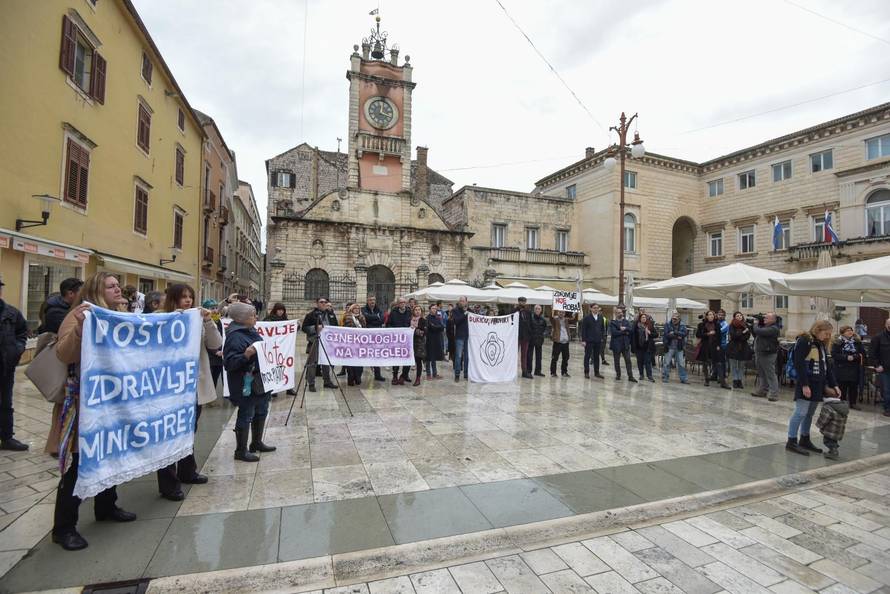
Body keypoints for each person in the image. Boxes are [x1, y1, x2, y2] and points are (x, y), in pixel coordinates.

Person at [50, 273, 137, 550]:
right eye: (111, 286)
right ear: (96, 290)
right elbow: (64, 354)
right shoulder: (79, 314)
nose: (118, 289)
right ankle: (63, 527)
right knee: (79, 464)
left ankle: (106, 506)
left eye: (118, 285)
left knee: (110, 453)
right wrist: (79, 328)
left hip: (112, 401)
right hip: (84, 403)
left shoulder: (116, 315)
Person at [156, 284, 221, 501]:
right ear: (173, 299)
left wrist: (208, 321)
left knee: (189, 430)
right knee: (168, 435)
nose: (188, 301)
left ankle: (187, 470)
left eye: (190, 297)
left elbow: (215, 344)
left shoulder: (197, 319)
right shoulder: (160, 318)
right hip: (169, 386)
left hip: (192, 385)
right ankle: (168, 483)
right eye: (183, 297)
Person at [224, 302, 276, 462]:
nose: (256, 317)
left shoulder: (250, 330)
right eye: (252, 315)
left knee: (261, 410)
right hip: (245, 383)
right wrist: (246, 355)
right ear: (242, 318)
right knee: (246, 414)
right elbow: (230, 363)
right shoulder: (235, 336)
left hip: (259, 381)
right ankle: (241, 450)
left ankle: (256, 442)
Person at [786, 320, 839, 456]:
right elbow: (799, 364)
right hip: (807, 383)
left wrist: (834, 385)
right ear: (818, 329)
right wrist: (804, 385)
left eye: (829, 334)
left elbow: (826, 367)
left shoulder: (820, 343)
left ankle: (805, 438)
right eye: (826, 333)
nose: (828, 336)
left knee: (809, 414)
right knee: (800, 412)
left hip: (817, 384)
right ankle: (791, 441)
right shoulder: (805, 340)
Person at [0, 279, 28, 452]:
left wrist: (17, 350)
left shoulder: (12, 313)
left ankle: (6, 437)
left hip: (5, 367)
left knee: (5, 403)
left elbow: (22, 332)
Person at [301, 297, 338, 392]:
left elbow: (335, 326)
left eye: (325, 302)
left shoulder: (330, 314)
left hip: (327, 342)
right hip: (315, 341)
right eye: (321, 302)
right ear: (317, 303)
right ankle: (311, 383)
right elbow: (304, 328)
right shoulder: (311, 315)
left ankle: (327, 381)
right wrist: (315, 328)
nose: (324, 303)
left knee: (326, 362)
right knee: (312, 363)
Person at [832, 325, 864, 411]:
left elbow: (862, 354)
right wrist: (846, 357)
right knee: (842, 386)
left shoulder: (857, 342)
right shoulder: (838, 342)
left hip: (854, 368)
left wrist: (854, 357)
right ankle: (841, 402)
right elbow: (834, 354)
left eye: (851, 330)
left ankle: (853, 403)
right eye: (847, 331)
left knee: (853, 387)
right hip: (842, 368)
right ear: (842, 333)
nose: (850, 332)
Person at [751, 313, 781, 402]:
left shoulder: (774, 328)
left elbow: (758, 331)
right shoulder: (765, 326)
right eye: (764, 317)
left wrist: (755, 323)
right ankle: (762, 390)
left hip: (768, 354)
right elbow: (755, 333)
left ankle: (774, 394)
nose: (764, 319)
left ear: (773, 320)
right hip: (760, 352)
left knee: (770, 374)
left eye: (766, 318)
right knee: (762, 373)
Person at [696, 311, 729, 389]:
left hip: (714, 346)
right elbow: (698, 335)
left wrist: (718, 345)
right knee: (705, 363)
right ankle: (706, 379)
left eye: (713, 315)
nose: (711, 316)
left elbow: (719, 336)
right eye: (710, 315)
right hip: (705, 346)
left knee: (719, 363)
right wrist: (708, 334)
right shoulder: (701, 325)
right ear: (707, 316)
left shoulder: (717, 325)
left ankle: (723, 382)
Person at [386, 297, 413, 385]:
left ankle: (404, 375)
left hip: (407, 339)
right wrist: (395, 330)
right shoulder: (393, 313)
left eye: (404, 302)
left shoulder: (409, 312)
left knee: (407, 357)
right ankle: (395, 376)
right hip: (396, 339)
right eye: (401, 302)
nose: (403, 304)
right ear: (398, 304)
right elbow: (388, 324)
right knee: (396, 358)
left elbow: (412, 322)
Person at [816, 391, 849, 460]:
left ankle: (833, 452)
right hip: (839, 430)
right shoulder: (842, 406)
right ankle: (832, 451)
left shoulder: (828, 407)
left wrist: (819, 425)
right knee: (833, 441)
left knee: (828, 441)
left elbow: (824, 418)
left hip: (830, 430)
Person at [361, 295, 387, 382]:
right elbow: (366, 318)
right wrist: (376, 317)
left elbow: (382, 320)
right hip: (367, 336)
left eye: (374, 300)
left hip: (377, 336)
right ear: (367, 301)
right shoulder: (363, 309)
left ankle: (378, 374)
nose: (372, 302)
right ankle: (358, 375)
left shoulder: (379, 309)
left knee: (377, 354)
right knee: (363, 354)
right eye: (370, 300)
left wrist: (372, 319)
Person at [202, 299, 225, 391]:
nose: (215, 310)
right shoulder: (203, 322)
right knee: (209, 381)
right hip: (210, 358)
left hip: (219, 358)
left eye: (216, 308)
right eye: (212, 308)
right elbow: (205, 340)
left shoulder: (219, 321)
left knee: (214, 379)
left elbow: (222, 336)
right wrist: (215, 351)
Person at [869, 317, 890, 418]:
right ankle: (887, 409)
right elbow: (872, 353)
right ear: (885, 325)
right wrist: (877, 365)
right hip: (884, 369)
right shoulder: (878, 337)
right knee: (886, 390)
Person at [609, 307, 636, 382]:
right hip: (616, 345)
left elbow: (631, 330)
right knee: (616, 361)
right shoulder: (613, 322)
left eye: (621, 312)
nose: (620, 314)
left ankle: (630, 376)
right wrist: (625, 332)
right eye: (618, 313)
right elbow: (614, 333)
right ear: (615, 314)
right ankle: (618, 375)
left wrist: (625, 329)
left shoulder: (627, 322)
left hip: (625, 344)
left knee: (628, 361)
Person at [342, 302, 366, 386]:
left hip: (360, 342)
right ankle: (351, 378)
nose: (357, 310)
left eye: (358, 308)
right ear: (352, 309)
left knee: (359, 360)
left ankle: (358, 376)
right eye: (355, 308)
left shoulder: (362, 317)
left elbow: (364, 328)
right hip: (350, 342)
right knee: (351, 361)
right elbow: (346, 328)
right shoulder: (347, 317)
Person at [726, 312, 752, 389]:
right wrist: (743, 332)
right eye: (737, 316)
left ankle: (739, 380)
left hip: (743, 347)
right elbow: (733, 335)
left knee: (741, 365)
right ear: (734, 317)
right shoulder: (732, 325)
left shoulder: (746, 325)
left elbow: (747, 336)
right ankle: (735, 380)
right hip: (733, 347)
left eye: (740, 315)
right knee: (733, 365)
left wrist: (739, 336)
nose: (739, 316)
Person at [580, 303, 606, 379]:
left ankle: (597, 372)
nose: (596, 309)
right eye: (594, 308)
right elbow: (583, 330)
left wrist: (602, 337)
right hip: (589, 340)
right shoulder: (587, 318)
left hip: (598, 340)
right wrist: (583, 340)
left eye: (597, 308)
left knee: (596, 357)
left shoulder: (600, 317)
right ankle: (586, 372)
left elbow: (602, 328)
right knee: (587, 356)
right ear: (591, 309)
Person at [662, 312, 688, 384]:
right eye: (673, 318)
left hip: (679, 347)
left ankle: (683, 379)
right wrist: (678, 336)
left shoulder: (682, 325)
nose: (674, 320)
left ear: (679, 319)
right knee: (667, 363)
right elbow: (666, 335)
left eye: (676, 319)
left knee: (681, 364)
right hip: (669, 346)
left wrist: (674, 332)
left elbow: (685, 334)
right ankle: (665, 377)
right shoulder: (667, 324)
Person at [632, 312, 658, 382]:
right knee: (640, 361)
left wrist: (650, 333)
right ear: (640, 319)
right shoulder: (636, 326)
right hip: (639, 347)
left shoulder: (650, 326)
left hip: (647, 347)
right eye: (642, 317)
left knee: (648, 361)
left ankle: (649, 376)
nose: (644, 318)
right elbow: (633, 336)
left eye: (645, 317)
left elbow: (656, 334)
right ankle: (641, 375)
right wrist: (633, 346)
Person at [451, 297, 469, 381]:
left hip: (468, 336)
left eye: (463, 301)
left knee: (467, 356)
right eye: (460, 301)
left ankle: (466, 374)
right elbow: (456, 321)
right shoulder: (455, 310)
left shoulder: (470, 310)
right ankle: (457, 375)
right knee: (458, 356)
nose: (461, 302)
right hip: (459, 337)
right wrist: (464, 313)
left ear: (466, 302)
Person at [550, 310, 572, 377]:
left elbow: (575, 320)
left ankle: (564, 372)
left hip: (566, 342)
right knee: (555, 358)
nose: (561, 313)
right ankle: (553, 372)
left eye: (563, 312)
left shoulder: (566, 320)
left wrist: (576, 312)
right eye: (560, 312)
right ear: (558, 312)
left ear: (564, 313)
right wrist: (552, 310)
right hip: (558, 342)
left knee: (566, 358)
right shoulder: (555, 320)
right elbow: (551, 319)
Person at [425, 304, 445, 379]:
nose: (434, 310)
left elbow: (442, 327)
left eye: (436, 308)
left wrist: (435, 326)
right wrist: (437, 327)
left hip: (436, 339)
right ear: (430, 309)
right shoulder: (427, 318)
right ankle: (428, 374)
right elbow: (431, 327)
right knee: (428, 358)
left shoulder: (438, 317)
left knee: (434, 357)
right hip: (429, 340)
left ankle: (435, 373)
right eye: (433, 308)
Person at [515, 297, 533, 379]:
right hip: (517, 336)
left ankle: (524, 372)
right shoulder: (515, 311)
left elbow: (530, 323)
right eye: (521, 301)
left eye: (524, 301)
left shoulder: (528, 312)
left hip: (525, 337)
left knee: (524, 355)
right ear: (518, 302)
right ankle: (513, 370)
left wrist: (530, 333)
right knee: (514, 354)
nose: (522, 303)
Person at [529, 304, 548, 377]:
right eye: (536, 308)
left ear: (541, 310)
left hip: (539, 339)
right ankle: (529, 370)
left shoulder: (543, 319)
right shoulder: (531, 318)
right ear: (534, 310)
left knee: (539, 357)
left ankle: (538, 371)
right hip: (531, 339)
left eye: (539, 309)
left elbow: (545, 328)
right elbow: (528, 327)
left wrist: (543, 334)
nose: (537, 310)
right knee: (529, 356)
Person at [410, 305, 427, 386]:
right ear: (413, 311)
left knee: (418, 360)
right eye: (416, 310)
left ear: (421, 311)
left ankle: (418, 378)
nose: (417, 311)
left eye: (419, 310)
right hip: (410, 342)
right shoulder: (410, 319)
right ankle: (404, 375)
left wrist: (414, 330)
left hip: (419, 343)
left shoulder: (423, 320)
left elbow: (424, 332)